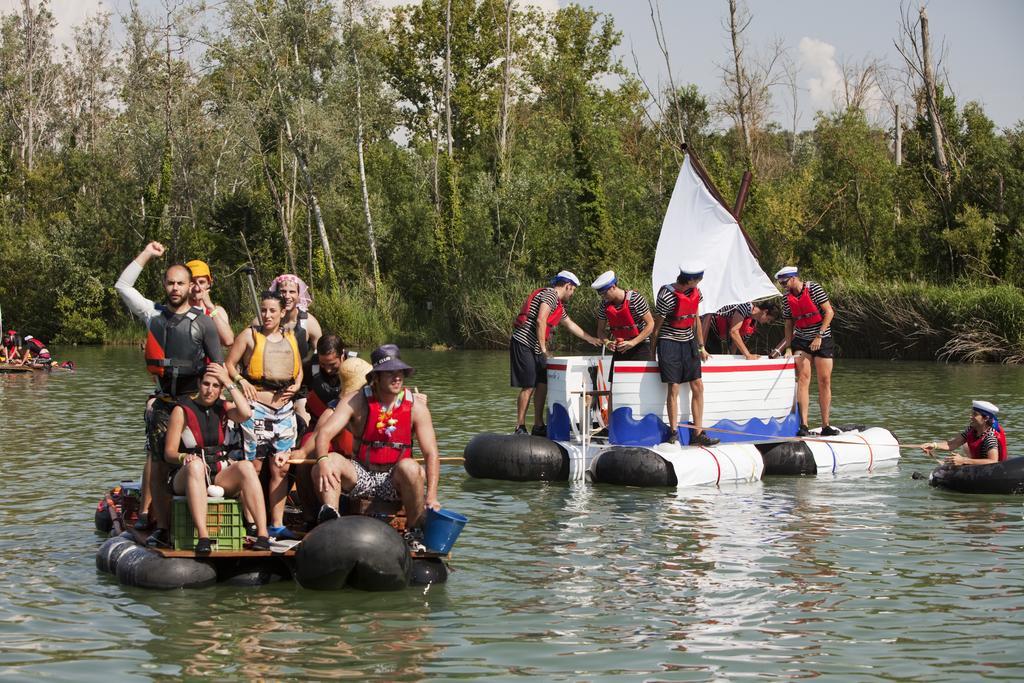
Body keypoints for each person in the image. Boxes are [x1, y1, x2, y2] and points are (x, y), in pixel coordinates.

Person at [115, 241, 225, 547]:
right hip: (163, 402)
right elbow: (123, 285)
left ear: (191, 287)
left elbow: (217, 366)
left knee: (200, 459)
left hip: (194, 402)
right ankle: (162, 527)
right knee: (159, 464)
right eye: (171, 282)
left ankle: (203, 522)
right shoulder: (152, 314)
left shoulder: (204, 323)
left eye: (181, 283)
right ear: (164, 285)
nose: (175, 288)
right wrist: (148, 254)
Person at [311, 344, 440, 550]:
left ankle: (414, 530)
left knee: (412, 468)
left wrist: (432, 495)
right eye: (390, 373)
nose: (397, 378)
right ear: (376, 378)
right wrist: (323, 461)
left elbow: (431, 453)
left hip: (394, 478)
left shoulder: (417, 407)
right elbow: (324, 434)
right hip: (361, 472)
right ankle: (331, 521)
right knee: (330, 462)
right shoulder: (355, 400)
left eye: (400, 372)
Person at [163, 363, 272, 552]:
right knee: (196, 466)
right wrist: (184, 458)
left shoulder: (224, 407)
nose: (209, 390)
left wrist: (229, 381)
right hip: (187, 474)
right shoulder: (181, 410)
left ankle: (262, 534)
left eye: (215, 386)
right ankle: (203, 537)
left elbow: (246, 413)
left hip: (218, 472)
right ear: (198, 383)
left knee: (246, 466)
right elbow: (169, 453)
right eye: (206, 384)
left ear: (221, 389)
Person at [226, 290, 303, 540]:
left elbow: (299, 370)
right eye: (263, 310)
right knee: (254, 466)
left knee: (280, 467)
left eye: (272, 310)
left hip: (283, 411)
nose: (267, 315)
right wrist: (240, 380)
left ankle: (277, 523)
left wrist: (295, 386)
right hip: (256, 407)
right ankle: (250, 522)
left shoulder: (290, 336)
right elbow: (229, 365)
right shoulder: (249, 335)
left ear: (282, 313)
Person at [509, 270, 601, 435]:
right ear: (567, 286)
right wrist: (544, 349)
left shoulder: (558, 305)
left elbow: (570, 324)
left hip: (537, 347)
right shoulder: (550, 295)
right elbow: (540, 320)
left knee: (543, 383)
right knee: (529, 385)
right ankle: (520, 426)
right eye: (572, 290)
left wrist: (591, 339)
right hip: (524, 343)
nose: (572, 294)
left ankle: (538, 425)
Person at [650, 263, 719, 446]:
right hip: (669, 342)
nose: (700, 282)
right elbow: (657, 327)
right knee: (673, 387)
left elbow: (695, 319)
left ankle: (698, 433)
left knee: (698, 386)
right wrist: (652, 353)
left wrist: (701, 346)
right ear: (690, 279)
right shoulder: (666, 295)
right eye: (698, 278)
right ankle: (673, 433)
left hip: (688, 342)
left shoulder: (696, 292)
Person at [772, 266, 838, 437]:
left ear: (794, 278)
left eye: (785, 282)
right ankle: (804, 425)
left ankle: (826, 425)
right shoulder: (786, 299)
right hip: (801, 340)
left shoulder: (814, 288)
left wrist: (819, 336)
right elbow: (788, 323)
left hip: (822, 339)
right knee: (803, 378)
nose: (783, 286)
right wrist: (788, 347)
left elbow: (829, 312)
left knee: (824, 380)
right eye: (781, 283)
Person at [268, 274, 322, 425]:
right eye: (282, 291)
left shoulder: (309, 323)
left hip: (301, 387)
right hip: (271, 387)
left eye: (292, 292)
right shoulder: (264, 321)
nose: (287, 296)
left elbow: (322, 356)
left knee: (304, 421)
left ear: (299, 295)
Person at [591, 270, 656, 372]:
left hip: (640, 347)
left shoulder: (635, 299)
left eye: (604, 293)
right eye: (601, 294)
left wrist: (632, 342)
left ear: (613, 287)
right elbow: (600, 331)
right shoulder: (604, 305)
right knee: (616, 385)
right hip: (620, 348)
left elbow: (651, 324)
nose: (603, 297)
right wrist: (607, 342)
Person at [922, 400, 1008, 466]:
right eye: (971, 413)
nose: (970, 417)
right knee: (964, 446)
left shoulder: (990, 437)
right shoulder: (971, 429)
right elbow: (952, 444)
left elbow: (993, 461)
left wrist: (964, 460)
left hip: (990, 472)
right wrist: (933, 445)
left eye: (975, 414)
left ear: (985, 418)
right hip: (977, 467)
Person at [705, 301, 780, 359]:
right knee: (712, 357)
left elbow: (735, 343)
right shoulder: (745, 306)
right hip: (708, 329)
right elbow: (734, 332)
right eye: (769, 319)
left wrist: (731, 358)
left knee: (717, 355)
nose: (767, 322)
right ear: (765, 312)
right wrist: (748, 355)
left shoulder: (752, 324)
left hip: (717, 337)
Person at [186, 259, 234, 347]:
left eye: (201, 282)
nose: (197, 288)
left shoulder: (217, 311)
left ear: (209, 284)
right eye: (192, 283)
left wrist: (211, 307)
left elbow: (228, 341)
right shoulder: (178, 310)